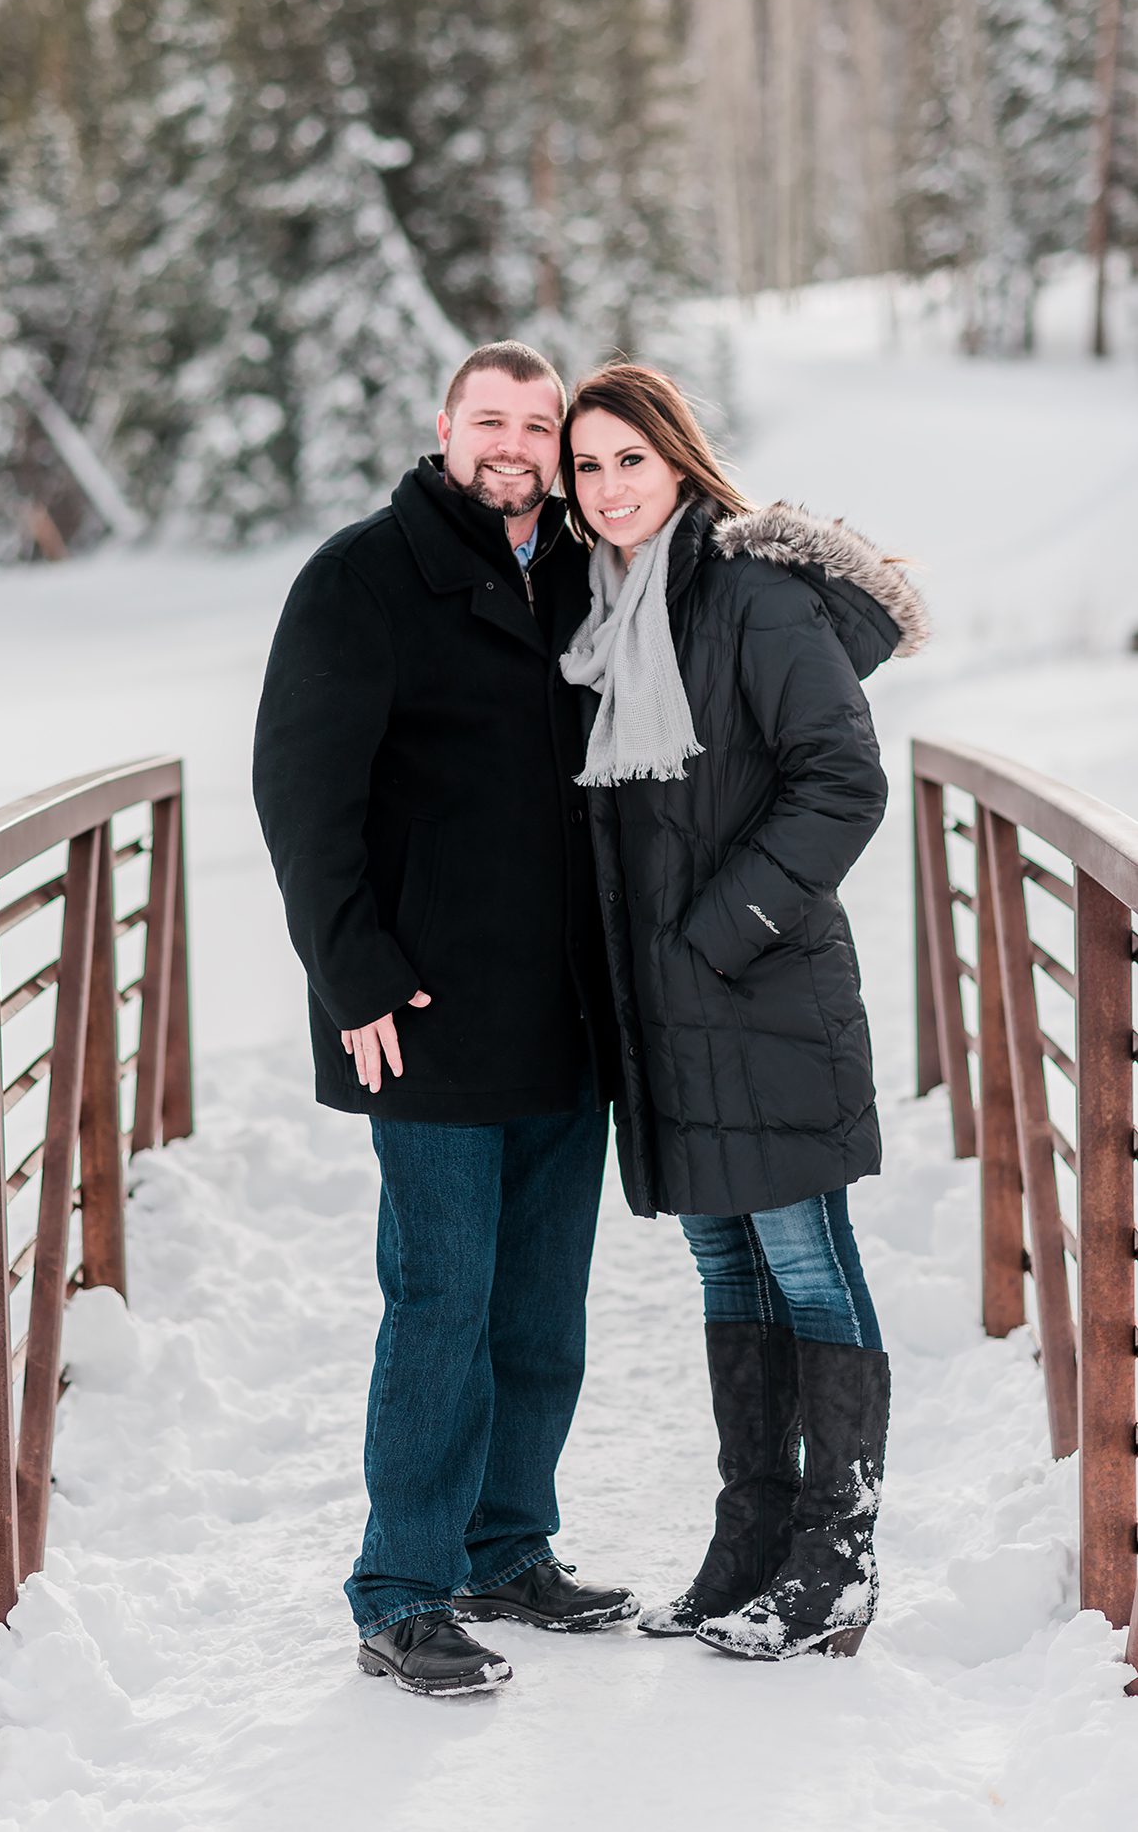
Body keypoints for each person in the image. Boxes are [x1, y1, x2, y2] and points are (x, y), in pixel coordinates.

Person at [252, 341, 635, 1699]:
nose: (515, 446)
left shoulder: (590, 573)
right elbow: (303, 800)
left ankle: (504, 1544)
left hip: (566, 1012)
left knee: (539, 1309)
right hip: (418, 1015)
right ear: (444, 426)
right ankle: (400, 1587)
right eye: (493, 420)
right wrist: (348, 980)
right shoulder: (362, 576)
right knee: (439, 1304)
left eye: (540, 425)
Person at [559, 362, 930, 1661]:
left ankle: (836, 1558)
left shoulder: (749, 594)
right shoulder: (608, 620)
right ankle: (749, 1539)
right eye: (585, 467)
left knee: (807, 1259)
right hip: (672, 1018)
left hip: (760, 993)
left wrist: (719, 932)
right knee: (726, 1266)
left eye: (627, 458)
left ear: (677, 456)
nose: (607, 487)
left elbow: (843, 779)